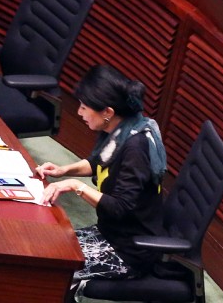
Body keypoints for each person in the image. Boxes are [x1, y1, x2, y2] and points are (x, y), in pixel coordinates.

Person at [38, 65, 167, 300]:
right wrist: (64, 170)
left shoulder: (135, 148)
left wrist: (76, 186)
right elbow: (98, 162)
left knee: (51, 268)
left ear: (107, 111)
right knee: (43, 246)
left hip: (128, 249)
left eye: (85, 108)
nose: (79, 113)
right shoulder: (122, 127)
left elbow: (120, 207)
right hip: (110, 233)